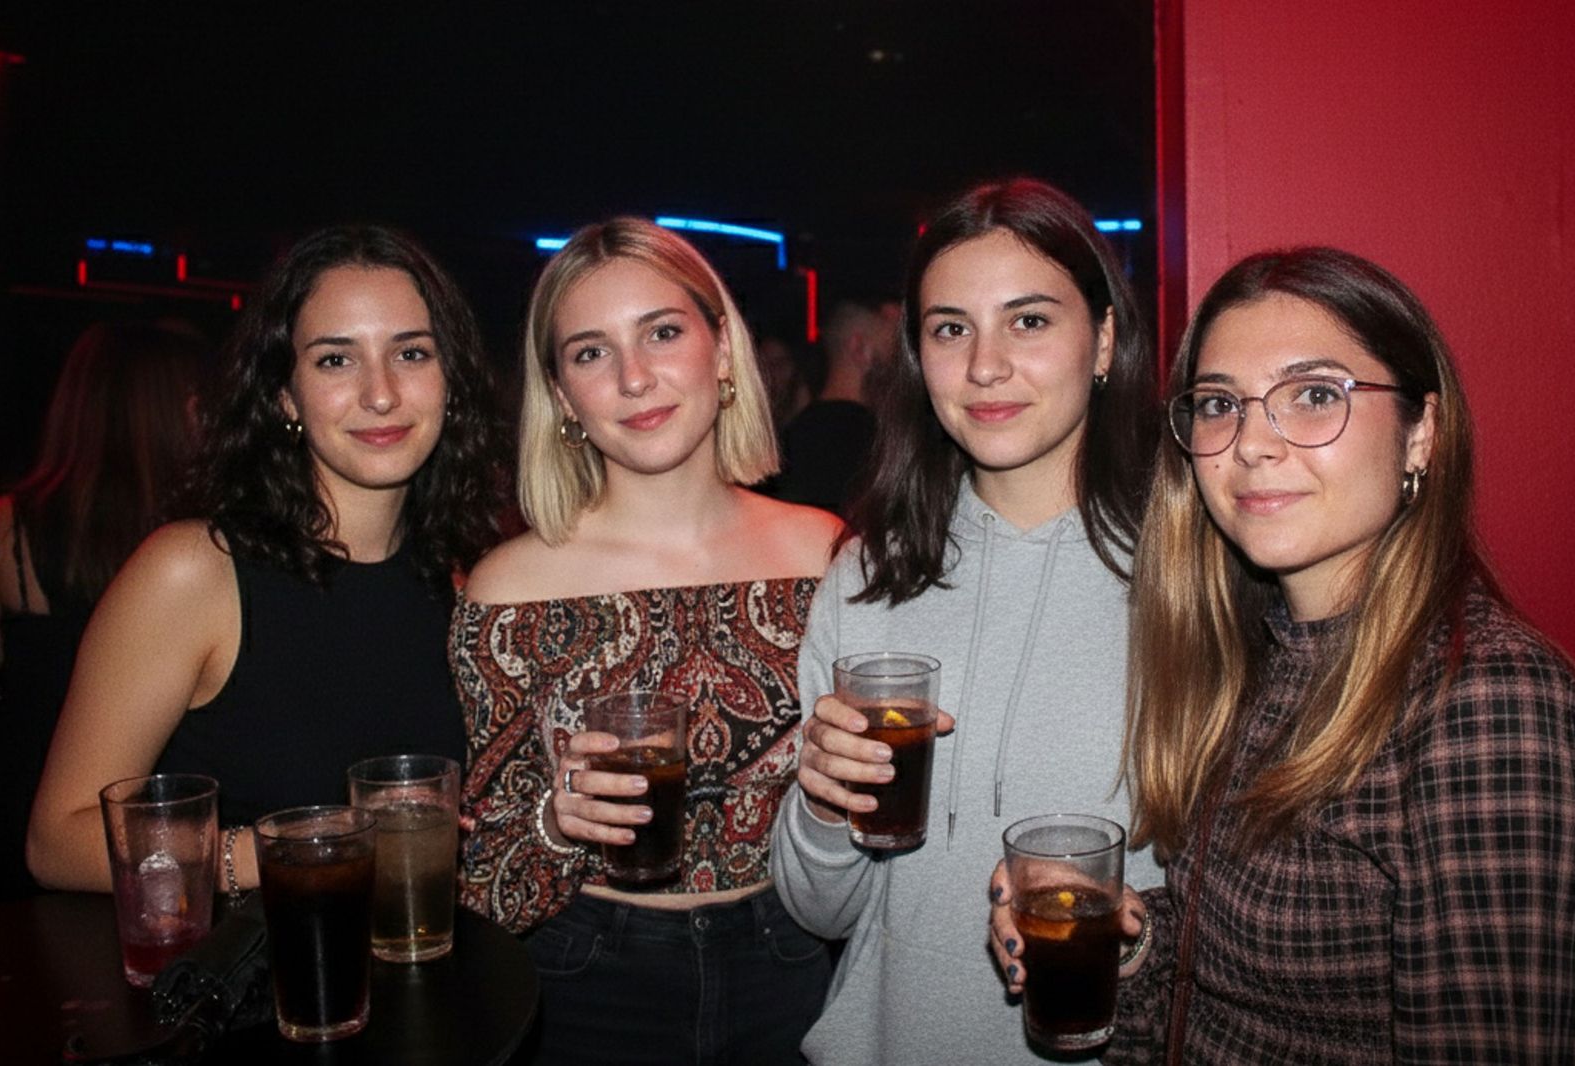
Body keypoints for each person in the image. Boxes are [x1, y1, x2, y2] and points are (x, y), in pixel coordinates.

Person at [998, 246, 1575, 1062]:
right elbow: (1248, 985)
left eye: (1313, 396)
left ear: (1422, 432)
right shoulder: (1258, 656)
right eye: (1218, 404)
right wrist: (1119, 939)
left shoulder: (1485, 702)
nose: (1253, 444)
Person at [769, 177, 1163, 1065]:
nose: (985, 365)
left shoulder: (1192, 576)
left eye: (1029, 321)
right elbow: (819, 910)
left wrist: (1135, 935)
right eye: (952, 328)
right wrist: (827, 802)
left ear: (1102, 340)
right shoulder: (868, 574)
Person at [453, 217, 842, 1065]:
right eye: (590, 353)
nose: (635, 378)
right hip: (585, 973)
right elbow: (483, 885)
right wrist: (558, 821)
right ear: (560, 395)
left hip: (795, 960)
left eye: (663, 332)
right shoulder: (508, 589)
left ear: (724, 351)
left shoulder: (826, 553)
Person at [26, 224, 512, 893]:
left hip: (420, 976)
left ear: (450, 382)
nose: (380, 394)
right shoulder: (194, 571)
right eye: (335, 360)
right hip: (252, 983)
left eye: (411, 353)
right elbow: (58, 839)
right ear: (285, 395)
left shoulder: (468, 579)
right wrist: (301, 849)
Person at [0, 321, 208, 902]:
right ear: (178, 410)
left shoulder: (10, 529)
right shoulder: (206, 548)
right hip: (152, 851)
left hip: (41, 841)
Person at [770, 293, 900, 515]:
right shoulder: (872, 446)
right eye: (894, 351)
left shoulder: (788, 439)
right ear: (861, 350)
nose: (905, 366)